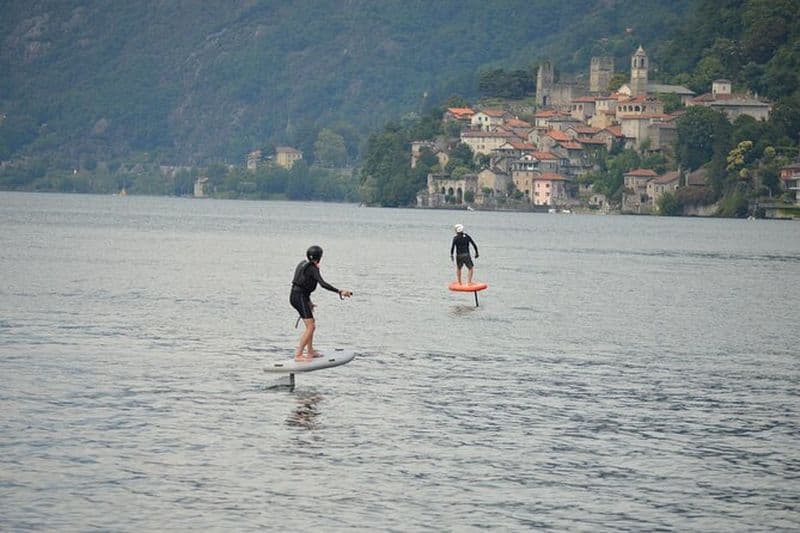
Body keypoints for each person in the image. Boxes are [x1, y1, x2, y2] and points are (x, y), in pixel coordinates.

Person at [290, 245, 352, 361]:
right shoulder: (313, 268)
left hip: (298, 296)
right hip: (299, 298)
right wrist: (339, 291)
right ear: (319, 258)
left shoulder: (303, 264)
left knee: (311, 324)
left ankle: (310, 351)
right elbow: (322, 284)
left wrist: (309, 302)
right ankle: (298, 354)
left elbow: (302, 284)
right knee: (311, 327)